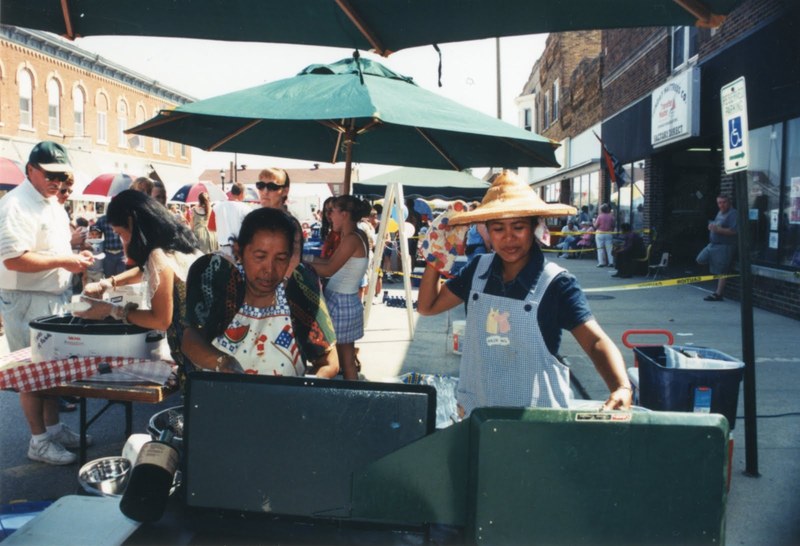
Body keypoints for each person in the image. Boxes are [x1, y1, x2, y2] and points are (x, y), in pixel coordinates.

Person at [417, 171, 632, 419]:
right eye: (498, 228)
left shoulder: (557, 283)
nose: (509, 237)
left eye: (518, 227)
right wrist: (437, 257)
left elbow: (595, 342)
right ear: (486, 231)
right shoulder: (477, 270)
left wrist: (621, 386)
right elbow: (427, 306)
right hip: (479, 415)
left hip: (536, 422)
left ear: (535, 227)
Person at [0, 141, 95, 465]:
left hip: (50, 297)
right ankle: (38, 440)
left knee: (51, 371)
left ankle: (52, 430)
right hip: (27, 299)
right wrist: (63, 260)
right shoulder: (16, 204)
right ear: (31, 170)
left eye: (62, 175)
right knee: (32, 372)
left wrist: (72, 255)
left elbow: (50, 248)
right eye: (50, 174)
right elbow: (14, 259)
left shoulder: (50, 202)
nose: (57, 181)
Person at [181, 207, 339, 377]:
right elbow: (190, 340)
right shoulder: (220, 279)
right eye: (260, 256)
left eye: (280, 258)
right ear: (239, 251)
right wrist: (223, 362)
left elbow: (329, 361)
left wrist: (306, 387)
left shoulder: (300, 287)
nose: (269, 270)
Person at [77, 190, 203, 381]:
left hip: (193, 357)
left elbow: (160, 320)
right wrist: (107, 284)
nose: (122, 241)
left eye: (121, 233)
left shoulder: (157, 255)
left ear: (132, 223)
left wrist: (111, 310)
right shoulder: (177, 244)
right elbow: (146, 272)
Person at [306, 195, 372, 380]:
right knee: (347, 360)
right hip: (346, 301)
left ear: (344, 214)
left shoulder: (351, 239)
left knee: (331, 360)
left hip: (340, 303)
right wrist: (306, 259)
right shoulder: (357, 235)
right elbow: (329, 262)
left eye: (332, 212)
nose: (329, 217)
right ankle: (353, 399)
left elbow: (328, 269)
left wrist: (299, 263)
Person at [257, 168, 302, 272]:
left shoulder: (289, 223)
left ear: (284, 191)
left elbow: (293, 261)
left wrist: (279, 286)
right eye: (260, 186)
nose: (265, 192)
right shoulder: (258, 219)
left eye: (272, 187)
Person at [697, 194, 737, 301]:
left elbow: (734, 231)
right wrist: (712, 226)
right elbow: (717, 225)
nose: (721, 205)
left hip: (724, 246)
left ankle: (718, 294)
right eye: (719, 202)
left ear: (729, 202)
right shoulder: (720, 213)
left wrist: (717, 230)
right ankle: (716, 263)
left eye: (724, 202)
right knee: (700, 259)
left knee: (722, 271)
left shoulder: (733, 214)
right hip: (713, 245)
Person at [210, 181, 252, 257]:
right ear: (242, 193)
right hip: (240, 248)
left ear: (232, 192)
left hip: (223, 248)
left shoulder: (216, 207)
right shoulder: (246, 208)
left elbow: (211, 227)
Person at [593, 203, 616, 268]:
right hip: (608, 233)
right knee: (609, 248)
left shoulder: (600, 216)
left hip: (600, 233)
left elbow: (596, 226)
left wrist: (593, 222)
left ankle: (601, 262)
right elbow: (613, 225)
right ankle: (611, 262)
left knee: (600, 248)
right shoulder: (611, 216)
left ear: (601, 210)